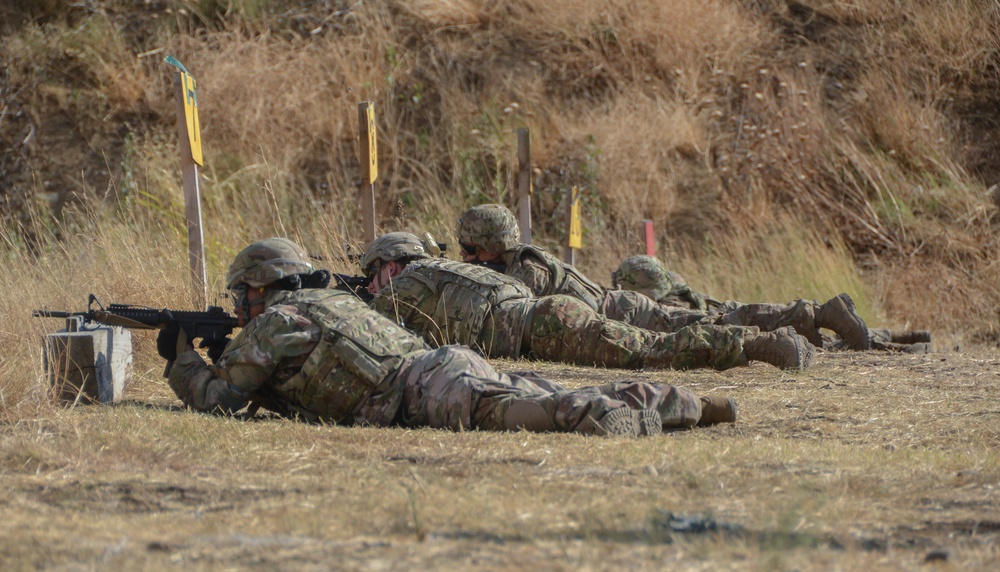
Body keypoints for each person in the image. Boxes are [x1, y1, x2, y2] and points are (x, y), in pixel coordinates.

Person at [157, 238, 740, 437]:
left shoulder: (271, 326)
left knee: (527, 409)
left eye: (242, 294)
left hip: (423, 391)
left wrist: (183, 360)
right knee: (535, 386)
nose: (238, 306)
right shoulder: (327, 300)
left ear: (258, 288)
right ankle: (684, 404)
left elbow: (223, 403)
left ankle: (609, 418)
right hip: (443, 363)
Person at [362, 232, 814, 372]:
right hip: (548, 314)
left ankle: (755, 345)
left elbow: (384, 342)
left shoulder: (404, 291)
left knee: (647, 352)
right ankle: (759, 338)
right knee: (646, 340)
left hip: (544, 326)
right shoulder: (442, 272)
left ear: (392, 267)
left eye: (374, 276)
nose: (375, 286)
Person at [454, 204, 873, 351]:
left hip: (624, 312)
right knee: (713, 320)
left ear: (488, 246)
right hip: (621, 310)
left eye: (469, 250)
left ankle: (809, 314)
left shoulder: (528, 269)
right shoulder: (522, 262)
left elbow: (508, 309)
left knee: (715, 322)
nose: (464, 257)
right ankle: (809, 315)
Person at [613, 255, 932, 353]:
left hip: (732, 318)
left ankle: (892, 342)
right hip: (733, 307)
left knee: (814, 337)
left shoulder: (662, 306)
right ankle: (898, 341)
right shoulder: (679, 287)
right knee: (834, 337)